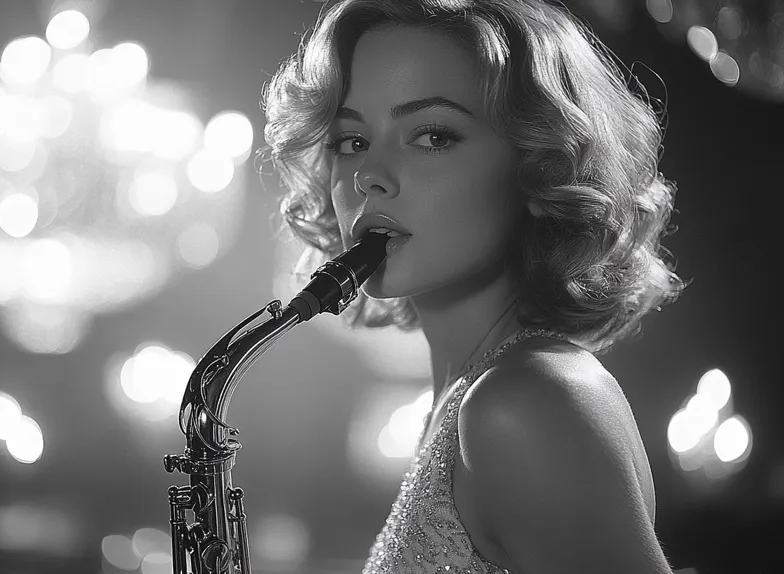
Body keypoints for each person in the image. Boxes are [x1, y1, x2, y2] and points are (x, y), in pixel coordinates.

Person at [260, 0, 688, 572]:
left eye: (432, 136)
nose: (367, 176)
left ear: (542, 166)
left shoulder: (524, 404)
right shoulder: (476, 398)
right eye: (351, 140)